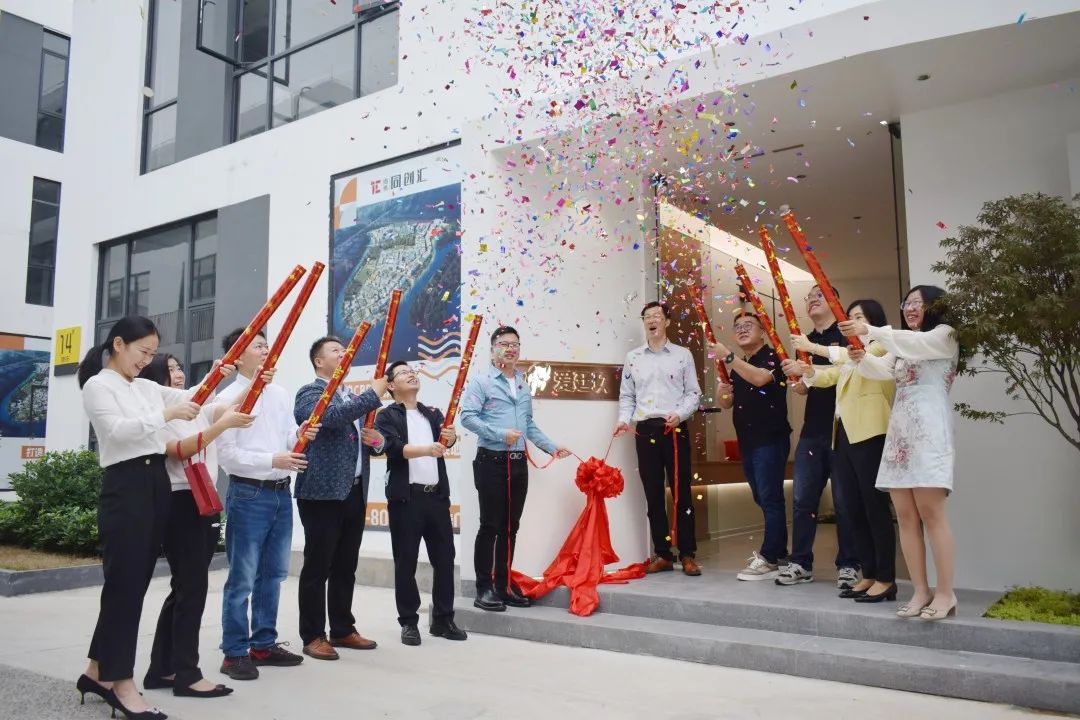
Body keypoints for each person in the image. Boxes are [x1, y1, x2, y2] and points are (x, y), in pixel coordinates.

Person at [76, 316, 229, 720]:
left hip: (156, 483)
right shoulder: (99, 385)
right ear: (119, 344)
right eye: (143, 352)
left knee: (133, 585)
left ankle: (96, 671)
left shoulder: (144, 387)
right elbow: (117, 432)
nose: (147, 360)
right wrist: (165, 416)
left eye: (152, 354)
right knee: (124, 587)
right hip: (126, 486)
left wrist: (223, 371)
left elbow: (194, 397)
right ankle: (120, 683)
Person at [138, 354, 255, 699]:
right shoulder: (158, 414)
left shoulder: (195, 406)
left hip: (203, 500)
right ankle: (187, 674)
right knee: (191, 589)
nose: (177, 374)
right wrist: (222, 425)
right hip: (180, 502)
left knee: (184, 589)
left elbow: (227, 407)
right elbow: (180, 450)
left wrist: (254, 380)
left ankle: (162, 669)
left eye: (178, 368)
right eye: (169, 369)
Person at [840, 285, 960, 621]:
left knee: (931, 514)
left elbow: (916, 345)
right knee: (905, 516)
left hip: (929, 430)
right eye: (907, 302)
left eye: (917, 302)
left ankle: (946, 593)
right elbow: (882, 371)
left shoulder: (944, 334)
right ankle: (920, 590)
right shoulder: (902, 343)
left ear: (935, 306)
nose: (910, 307)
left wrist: (872, 330)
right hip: (899, 433)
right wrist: (862, 357)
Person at [216, 328, 318, 681]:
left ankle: (263, 644)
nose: (265, 350)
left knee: (273, 574)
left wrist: (300, 434)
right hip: (248, 493)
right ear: (237, 356)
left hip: (280, 492)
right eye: (257, 346)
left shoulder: (278, 392)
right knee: (243, 577)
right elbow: (228, 457)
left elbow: (286, 434)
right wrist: (273, 459)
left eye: (265, 345)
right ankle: (233, 652)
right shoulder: (227, 399)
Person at [785, 299, 898, 603]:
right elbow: (829, 376)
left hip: (871, 431)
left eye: (859, 317)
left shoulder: (882, 345)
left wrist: (812, 346)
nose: (851, 322)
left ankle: (886, 578)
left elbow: (852, 358)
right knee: (852, 507)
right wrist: (807, 370)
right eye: (849, 317)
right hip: (843, 433)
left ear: (874, 321)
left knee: (875, 507)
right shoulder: (851, 354)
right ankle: (869, 573)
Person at [460, 326, 572, 612]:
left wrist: (551, 447)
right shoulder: (482, 382)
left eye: (515, 344)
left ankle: (503, 585)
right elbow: (468, 417)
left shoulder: (522, 383)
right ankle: (483, 588)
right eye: (504, 344)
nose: (510, 349)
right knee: (490, 525)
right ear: (492, 349)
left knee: (511, 526)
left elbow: (528, 424)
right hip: (491, 461)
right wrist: (500, 434)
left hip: (518, 463)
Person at [292, 336, 387, 661]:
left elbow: (361, 440)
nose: (344, 353)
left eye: (345, 350)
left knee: (346, 566)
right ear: (319, 361)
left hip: (354, 490)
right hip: (322, 493)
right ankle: (312, 635)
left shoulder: (352, 397)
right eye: (336, 350)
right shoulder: (310, 393)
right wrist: (373, 395)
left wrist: (376, 442)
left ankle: (343, 628)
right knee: (318, 566)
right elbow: (330, 417)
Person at [373, 360, 468, 645]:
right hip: (406, 498)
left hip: (436, 496)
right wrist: (428, 449)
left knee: (445, 559)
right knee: (406, 561)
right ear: (391, 385)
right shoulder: (386, 416)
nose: (411, 374)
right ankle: (409, 621)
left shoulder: (432, 413)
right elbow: (392, 448)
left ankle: (443, 619)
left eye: (412, 371)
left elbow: (445, 442)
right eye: (403, 373)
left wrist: (450, 438)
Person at [775, 285, 860, 589]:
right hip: (812, 430)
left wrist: (809, 369)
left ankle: (849, 565)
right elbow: (805, 385)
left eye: (818, 295)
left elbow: (847, 368)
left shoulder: (848, 334)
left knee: (844, 501)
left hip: (844, 428)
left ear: (834, 300)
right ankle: (800, 562)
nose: (811, 300)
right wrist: (799, 383)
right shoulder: (804, 340)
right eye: (808, 298)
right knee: (802, 499)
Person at [614, 301, 703, 575]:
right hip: (644, 430)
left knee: (681, 493)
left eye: (657, 316)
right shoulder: (633, 357)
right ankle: (663, 553)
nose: (652, 320)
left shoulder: (682, 355)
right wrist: (623, 420)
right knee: (652, 493)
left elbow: (693, 393)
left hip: (673, 428)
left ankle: (687, 554)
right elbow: (627, 395)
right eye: (647, 317)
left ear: (667, 321)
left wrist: (681, 414)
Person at [714, 311, 792, 581]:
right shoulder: (740, 364)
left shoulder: (773, 356)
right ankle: (779, 554)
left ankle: (769, 557)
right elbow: (727, 403)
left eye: (749, 325)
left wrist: (728, 357)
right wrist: (723, 394)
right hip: (747, 441)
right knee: (763, 497)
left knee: (770, 498)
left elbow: (760, 379)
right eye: (737, 326)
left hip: (770, 439)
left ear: (763, 331)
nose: (742, 329)